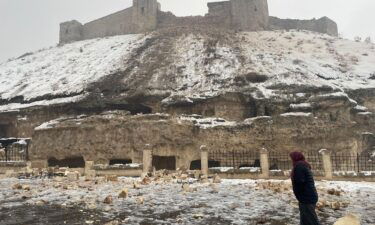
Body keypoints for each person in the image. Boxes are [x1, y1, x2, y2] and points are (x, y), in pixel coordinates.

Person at [290, 151, 321, 225]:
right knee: (305, 220)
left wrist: (299, 194)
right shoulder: (303, 165)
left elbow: (299, 182)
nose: (291, 160)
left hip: (306, 197)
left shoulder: (299, 166)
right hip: (308, 196)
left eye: (292, 158)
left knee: (311, 220)